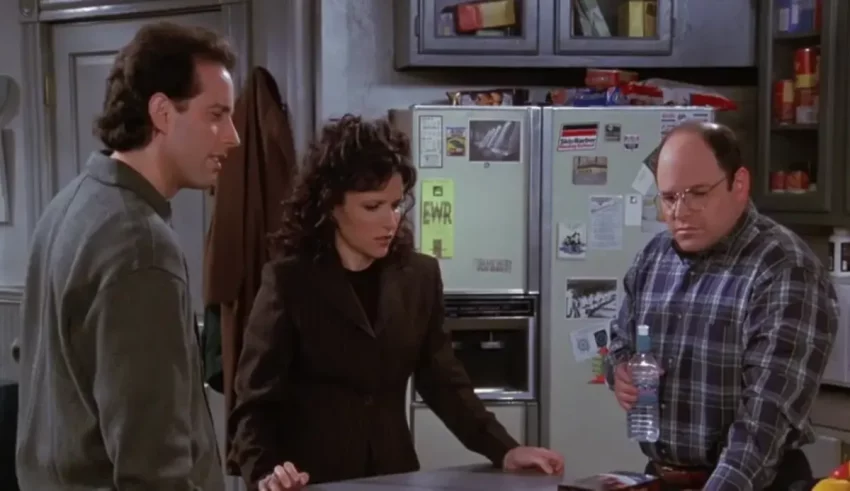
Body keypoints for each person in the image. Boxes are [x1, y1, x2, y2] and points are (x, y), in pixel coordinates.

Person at [228, 114, 565, 489]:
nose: (390, 221)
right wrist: (265, 472)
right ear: (331, 206)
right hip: (312, 481)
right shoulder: (289, 281)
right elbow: (254, 403)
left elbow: (443, 382)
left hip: (394, 476)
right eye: (372, 207)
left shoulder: (418, 276)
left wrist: (504, 449)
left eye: (396, 205)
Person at [15, 21, 240, 490]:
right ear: (162, 112)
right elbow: (152, 465)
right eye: (216, 115)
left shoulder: (67, 206)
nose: (232, 137)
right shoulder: (141, 245)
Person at [605, 121, 837, 491]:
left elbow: (766, 419)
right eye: (669, 198)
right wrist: (619, 369)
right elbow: (621, 340)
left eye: (697, 193)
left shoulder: (783, 268)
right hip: (660, 477)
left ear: (738, 184)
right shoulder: (653, 258)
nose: (680, 212)